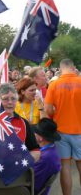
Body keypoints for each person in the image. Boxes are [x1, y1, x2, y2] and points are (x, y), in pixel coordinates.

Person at [44, 58, 81, 195]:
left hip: (61, 130)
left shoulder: (54, 84)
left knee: (65, 166)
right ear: (73, 67)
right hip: (80, 130)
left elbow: (47, 109)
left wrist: (56, 114)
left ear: (60, 69)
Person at [33, 118, 61, 195]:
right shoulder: (52, 149)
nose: (34, 134)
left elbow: (32, 181)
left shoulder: (44, 157)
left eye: (35, 132)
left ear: (41, 138)